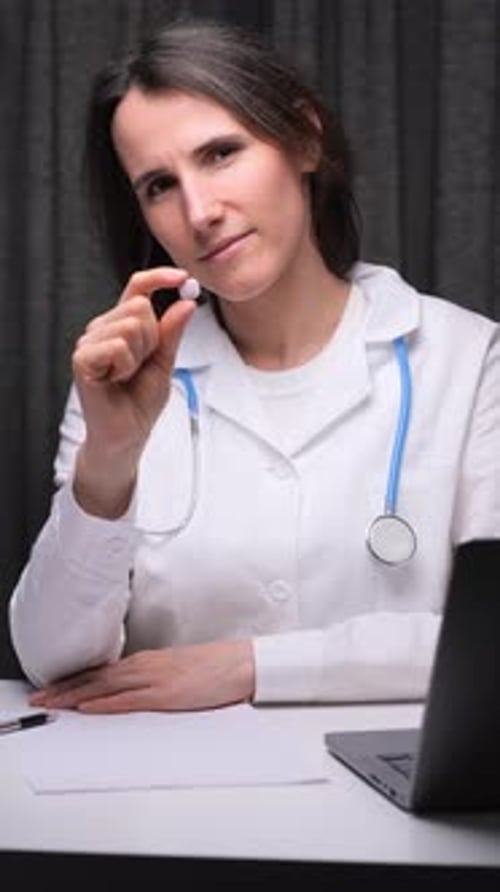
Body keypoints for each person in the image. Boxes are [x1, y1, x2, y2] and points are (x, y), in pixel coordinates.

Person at [9, 18, 500, 714]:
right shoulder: (123, 381)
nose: (200, 211)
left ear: (304, 138)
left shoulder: (468, 360)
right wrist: (108, 466)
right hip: (167, 801)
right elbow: (52, 659)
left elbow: (488, 642)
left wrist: (253, 667)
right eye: (158, 186)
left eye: (220, 154)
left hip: (393, 809)